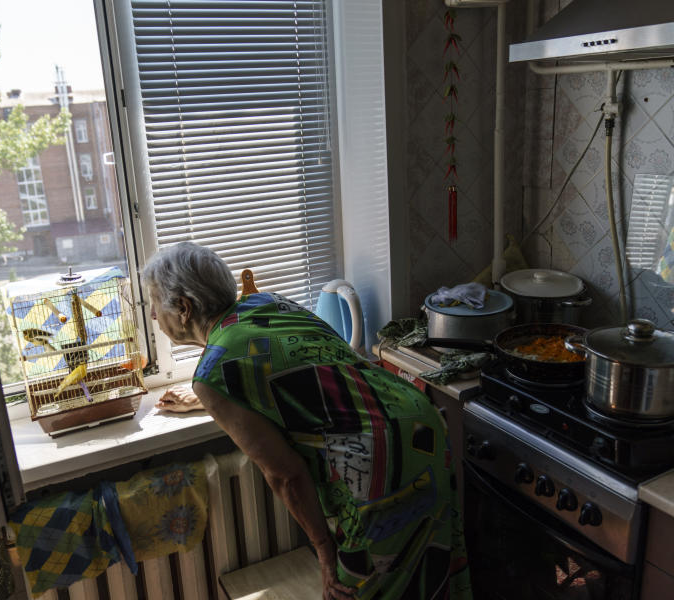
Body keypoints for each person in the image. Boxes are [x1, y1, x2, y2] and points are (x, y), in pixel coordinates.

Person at [146, 242, 472, 600]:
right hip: (417, 420)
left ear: (183, 307)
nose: (152, 316)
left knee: (360, 588)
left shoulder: (212, 376)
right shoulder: (265, 303)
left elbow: (285, 475)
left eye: (153, 303)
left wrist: (326, 555)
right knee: (429, 571)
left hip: (378, 463)